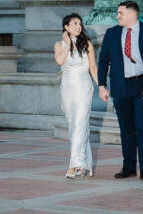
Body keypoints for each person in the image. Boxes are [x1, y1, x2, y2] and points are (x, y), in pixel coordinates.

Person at [97, 0, 143, 181]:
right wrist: (101, 85)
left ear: (132, 14)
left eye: (120, 13)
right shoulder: (111, 34)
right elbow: (103, 60)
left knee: (142, 128)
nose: (117, 16)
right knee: (126, 129)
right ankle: (128, 167)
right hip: (121, 86)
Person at [54, 13, 97, 178]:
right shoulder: (59, 45)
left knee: (80, 123)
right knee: (74, 126)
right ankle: (83, 163)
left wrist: (101, 86)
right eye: (74, 24)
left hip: (84, 88)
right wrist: (67, 44)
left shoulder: (87, 44)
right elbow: (59, 61)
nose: (78, 26)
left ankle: (73, 165)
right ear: (66, 27)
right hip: (67, 89)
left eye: (80, 24)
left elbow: (93, 67)